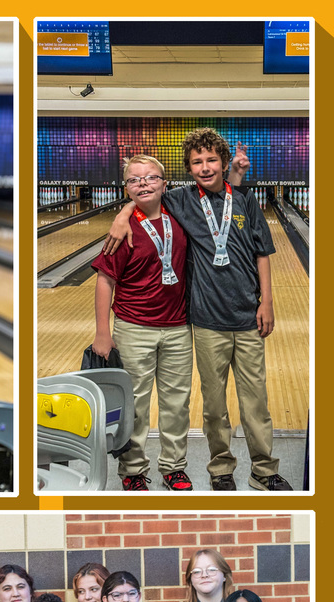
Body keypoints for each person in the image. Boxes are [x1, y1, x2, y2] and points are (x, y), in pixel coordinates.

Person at [105, 129, 292, 491]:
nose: (205, 167)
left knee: (257, 402)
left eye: (211, 160)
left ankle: (264, 471)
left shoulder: (247, 201)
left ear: (222, 162)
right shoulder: (182, 200)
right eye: (197, 162)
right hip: (206, 323)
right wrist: (123, 212)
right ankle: (220, 469)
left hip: (248, 319)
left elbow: (262, 254)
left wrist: (267, 302)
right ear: (188, 169)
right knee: (214, 407)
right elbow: (147, 194)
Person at [91, 155, 193, 491]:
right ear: (126, 188)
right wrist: (103, 333)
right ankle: (133, 470)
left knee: (177, 405)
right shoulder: (123, 230)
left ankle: (174, 467)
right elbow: (105, 280)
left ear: (165, 184)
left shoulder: (180, 217)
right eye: (135, 180)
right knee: (134, 407)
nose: (144, 184)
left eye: (151, 177)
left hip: (178, 327)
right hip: (134, 327)